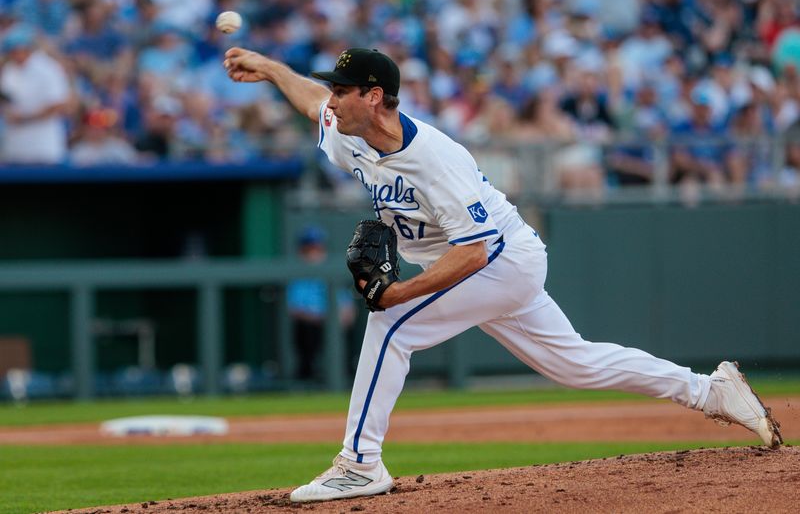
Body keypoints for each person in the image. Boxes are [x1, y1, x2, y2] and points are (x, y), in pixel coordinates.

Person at [223, 46, 782, 503]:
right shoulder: (351, 131)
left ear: (375, 97)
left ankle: (360, 462)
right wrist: (272, 69)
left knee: (390, 325)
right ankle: (711, 391)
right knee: (575, 363)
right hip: (491, 264)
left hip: (499, 260)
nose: (333, 101)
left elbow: (472, 253)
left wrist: (399, 293)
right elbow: (312, 101)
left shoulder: (436, 159)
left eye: (344, 90)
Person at [286, 225, 355, 381]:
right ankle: (307, 379)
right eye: (309, 249)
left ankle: (347, 375)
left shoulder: (331, 272)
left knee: (349, 332)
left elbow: (347, 307)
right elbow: (294, 309)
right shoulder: (296, 274)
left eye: (317, 248)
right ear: (302, 251)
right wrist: (322, 318)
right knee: (307, 333)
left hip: (334, 324)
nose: (314, 253)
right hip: (311, 325)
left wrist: (341, 318)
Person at [0, 23, 72, 165]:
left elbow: (58, 105)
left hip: (44, 149)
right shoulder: (9, 70)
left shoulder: (48, 68)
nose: (14, 54)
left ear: (28, 48)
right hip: (15, 149)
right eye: (11, 51)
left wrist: (25, 118)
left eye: (17, 50)